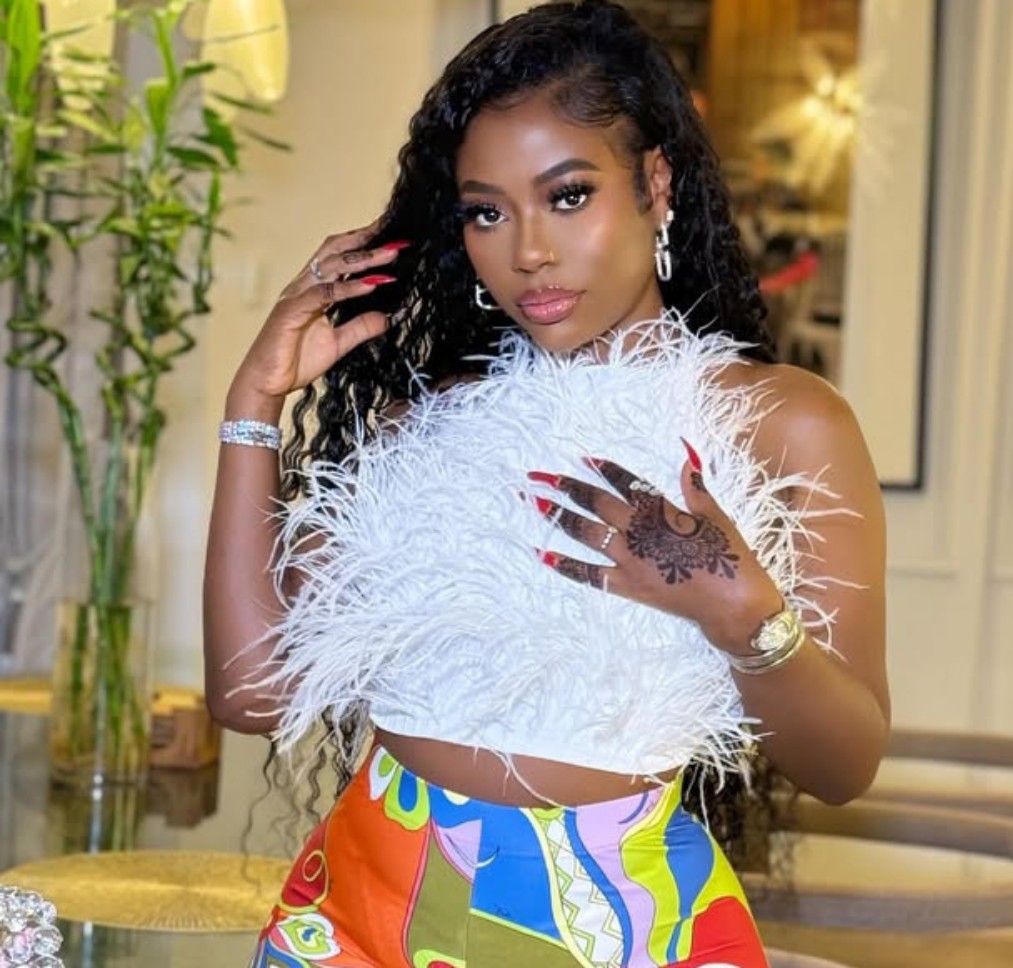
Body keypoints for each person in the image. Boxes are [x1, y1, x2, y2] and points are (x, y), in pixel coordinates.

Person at [201, 2, 889, 966]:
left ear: (655, 183)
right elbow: (251, 694)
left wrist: (742, 614)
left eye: (567, 196)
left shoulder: (782, 422)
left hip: (618, 927)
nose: (527, 251)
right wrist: (254, 406)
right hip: (360, 917)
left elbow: (846, 766)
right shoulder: (426, 422)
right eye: (487, 211)